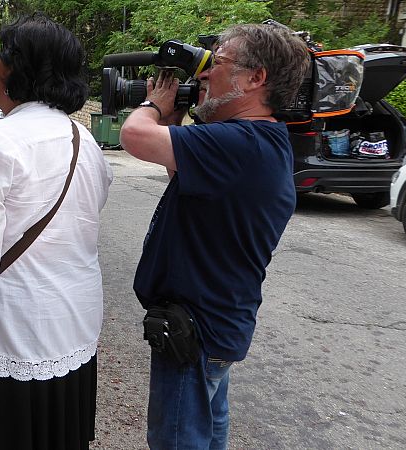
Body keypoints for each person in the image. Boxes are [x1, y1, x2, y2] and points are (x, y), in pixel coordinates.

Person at [119, 23, 310, 449]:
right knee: (209, 426)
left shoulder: (239, 142)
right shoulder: (258, 140)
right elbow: (182, 175)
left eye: (216, 63)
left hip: (197, 330)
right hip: (216, 322)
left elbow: (133, 135)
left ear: (256, 78)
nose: (203, 74)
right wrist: (173, 118)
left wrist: (151, 104)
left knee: (178, 440)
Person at [0, 14, 112, 450]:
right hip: (75, 323)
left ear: (13, 70)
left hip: (13, 329)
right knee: (63, 432)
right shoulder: (83, 140)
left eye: (0, 59)